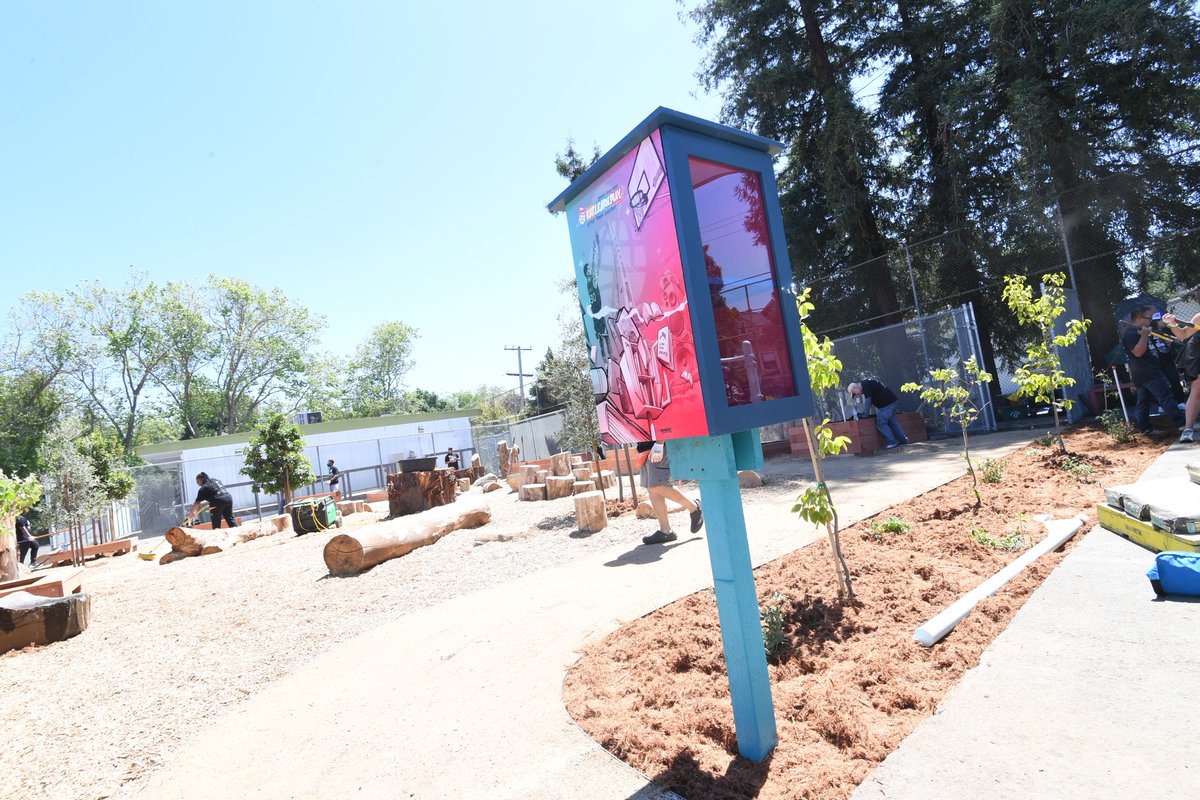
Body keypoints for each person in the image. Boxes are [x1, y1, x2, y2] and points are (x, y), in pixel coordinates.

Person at [1122, 305, 1186, 437]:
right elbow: (1138, 352)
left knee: (1143, 401)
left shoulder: (1140, 329)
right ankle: (1182, 423)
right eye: (1148, 318)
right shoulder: (1131, 333)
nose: (1151, 320)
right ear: (1139, 319)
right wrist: (1144, 336)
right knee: (1165, 397)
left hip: (1145, 372)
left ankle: (1146, 428)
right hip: (1148, 372)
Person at [637, 440, 704, 545]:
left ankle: (694, 507)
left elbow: (660, 423)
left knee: (657, 485)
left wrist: (659, 443)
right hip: (645, 447)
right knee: (652, 490)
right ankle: (665, 531)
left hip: (659, 445)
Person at [1159, 312, 1200, 442]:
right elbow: (1182, 334)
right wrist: (1172, 324)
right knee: (1198, 388)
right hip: (1197, 351)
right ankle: (1188, 430)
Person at [848, 380, 910, 450]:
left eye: (855, 393)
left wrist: (865, 415)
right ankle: (904, 440)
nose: (857, 395)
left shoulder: (866, 385)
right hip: (892, 402)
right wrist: (865, 413)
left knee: (881, 423)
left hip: (887, 405)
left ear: (855, 388)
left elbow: (868, 401)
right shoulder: (866, 384)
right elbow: (870, 401)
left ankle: (892, 442)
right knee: (892, 422)